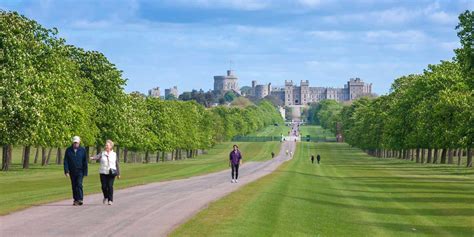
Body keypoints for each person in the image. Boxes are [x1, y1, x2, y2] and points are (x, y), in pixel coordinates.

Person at [90, 140, 120, 205]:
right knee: (103, 186)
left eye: (107, 145)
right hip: (103, 172)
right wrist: (92, 158)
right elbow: (97, 157)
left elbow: (117, 164)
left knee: (110, 186)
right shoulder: (102, 153)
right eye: (105, 145)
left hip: (111, 172)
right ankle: (106, 196)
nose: (106, 146)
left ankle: (110, 200)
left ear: (111, 146)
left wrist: (118, 174)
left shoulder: (114, 154)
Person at [64, 136, 88, 206]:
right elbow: (66, 161)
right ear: (72, 142)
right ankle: (75, 199)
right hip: (72, 171)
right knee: (74, 185)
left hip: (80, 171)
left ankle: (80, 199)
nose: (75, 144)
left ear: (79, 142)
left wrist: (85, 172)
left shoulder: (82, 150)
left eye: (77, 143)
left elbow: (85, 162)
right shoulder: (68, 150)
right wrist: (66, 171)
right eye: (74, 143)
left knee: (79, 184)